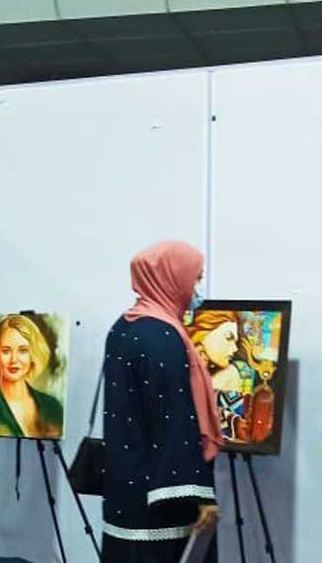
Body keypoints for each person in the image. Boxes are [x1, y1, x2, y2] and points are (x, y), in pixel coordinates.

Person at [102, 241, 222, 562]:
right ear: (171, 278)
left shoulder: (122, 327)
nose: (197, 289)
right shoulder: (163, 337)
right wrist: (201, 495)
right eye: (195, 279)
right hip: (161, 499)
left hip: (124, 489)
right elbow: (176, 422)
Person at [0, 314, 63, 438]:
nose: (14, 360)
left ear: (32, 355)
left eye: (23, 351)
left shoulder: (52, 407)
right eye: (6, 351)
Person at [188, 310, 257, 442]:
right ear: (203, 333)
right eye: (228, 338)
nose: (234, 348)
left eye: (235, 341)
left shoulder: (234, 371)